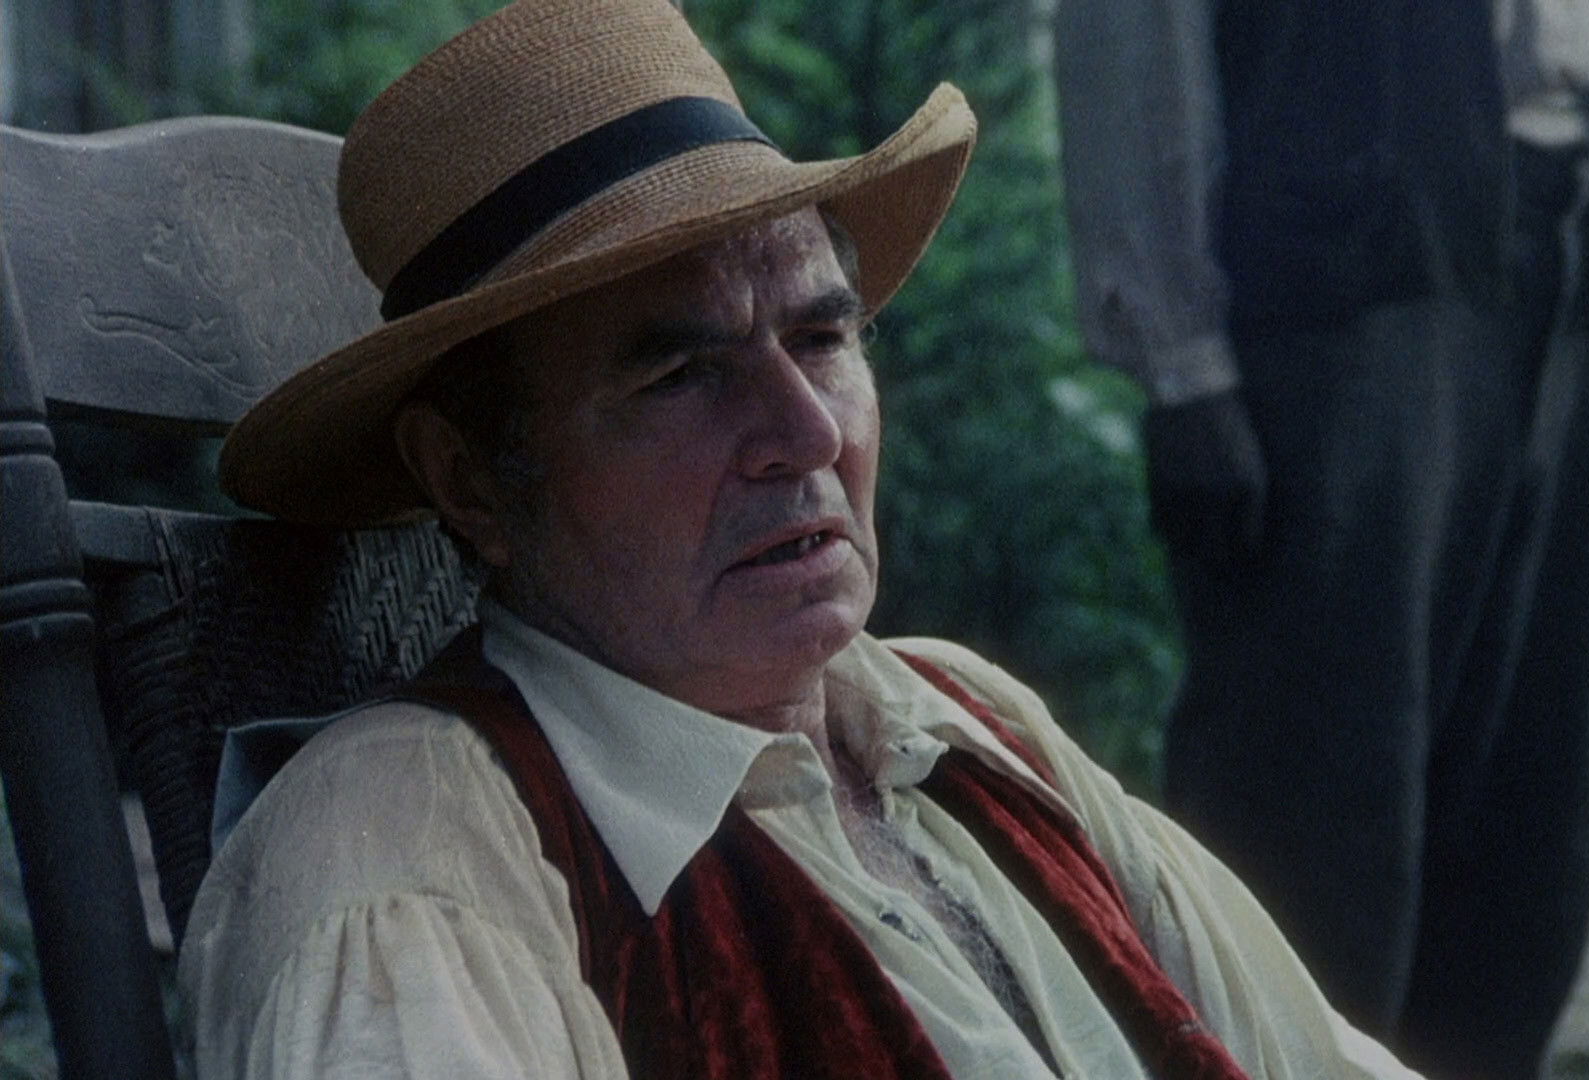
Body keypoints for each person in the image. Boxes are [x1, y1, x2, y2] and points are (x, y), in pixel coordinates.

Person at [177, 1, 1428, 1077]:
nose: (806, 432)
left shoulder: (965, 725)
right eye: (679, 376)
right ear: (471, 482)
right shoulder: (409, 850)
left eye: (823, 338)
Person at [1053, 2, 1589, 1078]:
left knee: (1533, 805)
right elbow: (1139, 35)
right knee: (1310, 796)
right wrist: (1180, 361)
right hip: (1350, 285)